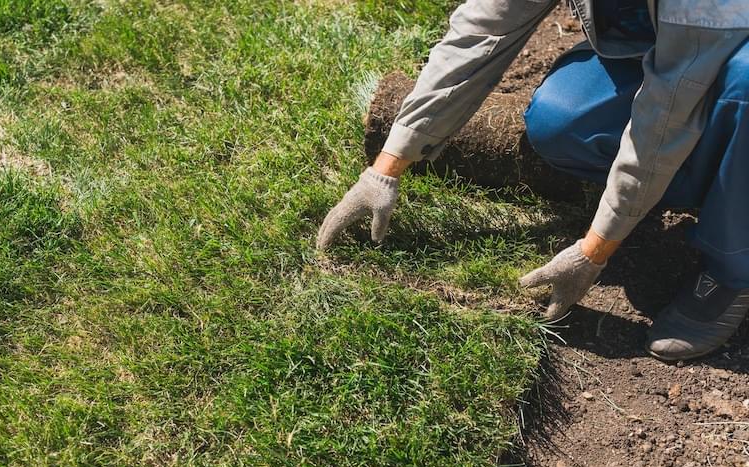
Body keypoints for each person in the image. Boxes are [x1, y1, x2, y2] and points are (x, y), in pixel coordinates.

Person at [316, 0, 749, 362]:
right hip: (672, 44)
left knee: (743, 87)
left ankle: (733, 267)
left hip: (726, 41)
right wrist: (386, 166)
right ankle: (714, 177)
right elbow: (482, 28)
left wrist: (595, 249)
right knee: (562, 120)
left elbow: (666, 115)